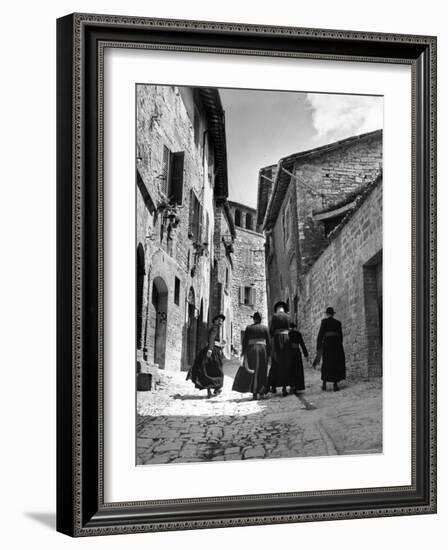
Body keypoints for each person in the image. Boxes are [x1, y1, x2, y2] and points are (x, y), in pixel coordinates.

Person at [233, 312, 271, 400]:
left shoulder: (249, 328)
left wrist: (243, 353)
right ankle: (261, 392)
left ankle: (254, 392)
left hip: (252, 350)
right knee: (262, 370)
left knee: (252, 369)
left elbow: (244, 341)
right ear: (261, 319)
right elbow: (269, 343)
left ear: (254, 319)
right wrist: (269, 354)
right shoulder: (265, 328)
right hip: (262, 350)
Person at [186, 313, 225, 398]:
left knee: (208, 370)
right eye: (219, 320)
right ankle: (216, 389)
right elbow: (211, 338)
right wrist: (210, 349)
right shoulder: (215, 328)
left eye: (222, 321)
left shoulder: (215, 328)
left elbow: (214, 339)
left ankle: (210, 391)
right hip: (213, 351)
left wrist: (221, 345)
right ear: (215, 321)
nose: (220, 322)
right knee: (218, 371)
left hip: (213, 349)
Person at [315, 307, 346, 391]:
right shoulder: (338, 323)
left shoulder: (324, 322)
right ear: (333, 314)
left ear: (327, 314)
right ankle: (335, 385)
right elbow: (341, 336)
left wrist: (318, 346)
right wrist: (340, 345)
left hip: (327, 345)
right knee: (336, 363)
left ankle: (324, 384)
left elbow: (320, 334)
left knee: (326, 363)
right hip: (336, 345)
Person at [268, 300, 291, 397]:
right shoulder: (288, 317)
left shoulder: (274, 316)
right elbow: (289, 328)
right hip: (286, 339)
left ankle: (273, 386)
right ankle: (285, 387)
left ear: (277, 309)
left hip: (277, 341)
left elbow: (271, 330)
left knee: (275, 362)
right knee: (285, 362)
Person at [288, 322, 309, 394]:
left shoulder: (288, 334)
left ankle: (292, 385)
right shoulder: (298, 333)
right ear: (295, 327)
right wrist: (306, 354)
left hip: (290, 353)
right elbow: (302, 344)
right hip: (297, 352)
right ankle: (297, 386)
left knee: (291, 369)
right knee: (297, 369)